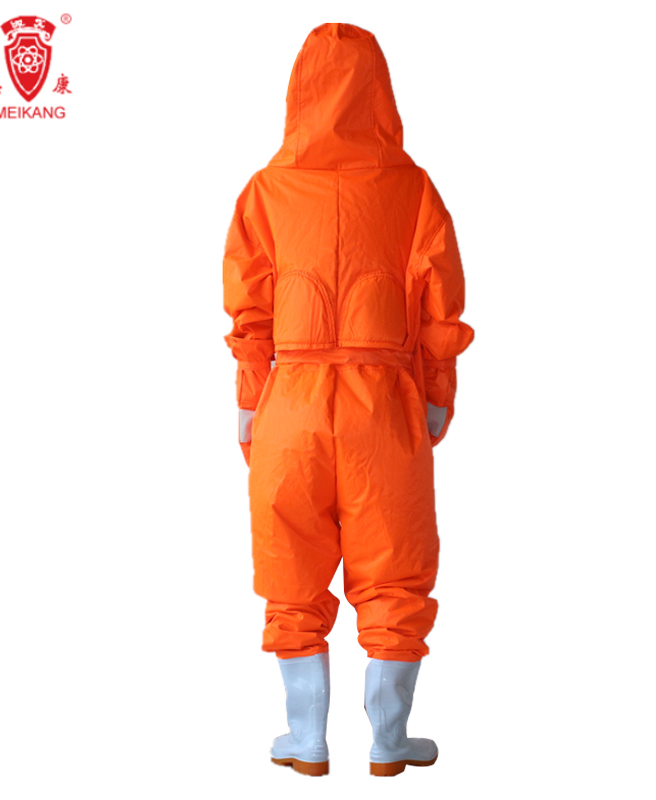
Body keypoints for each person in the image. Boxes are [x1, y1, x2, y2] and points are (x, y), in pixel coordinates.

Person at [222, 22, 474, 777]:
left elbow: (248, 314)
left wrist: (250, 404)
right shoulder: (413, 189)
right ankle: (389, 741)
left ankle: (306, 738)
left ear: (298, 94)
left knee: (290, 568)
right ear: (380, 93)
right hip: (382, 405)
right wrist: (435, 396)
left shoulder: (265, 192)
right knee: (395, 570)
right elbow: (441, 306)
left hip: (291, 405)